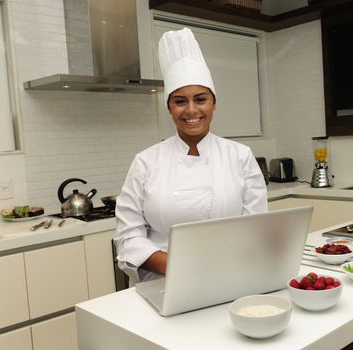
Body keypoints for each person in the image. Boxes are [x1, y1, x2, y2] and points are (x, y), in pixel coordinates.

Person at [114, 28, 268, 285]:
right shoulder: (146, 161)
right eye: (180, 101)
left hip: (230, 274)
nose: (192, 110)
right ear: (170, 108)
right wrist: (182, 266)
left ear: (214, 104)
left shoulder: (240, 156)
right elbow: (128, 235)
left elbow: (256, 227)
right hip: (161, 280)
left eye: (201, 99)